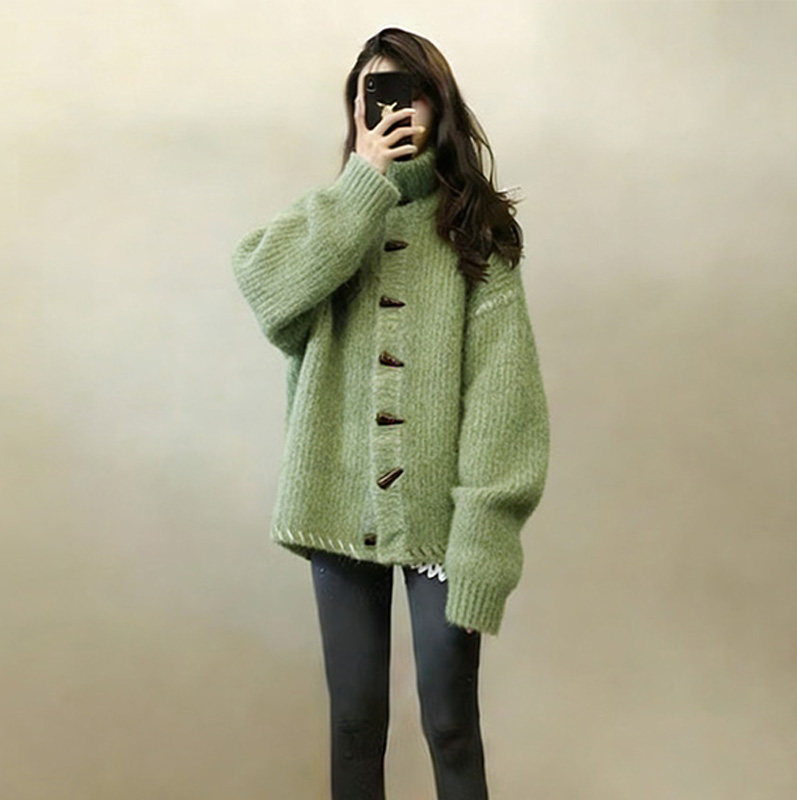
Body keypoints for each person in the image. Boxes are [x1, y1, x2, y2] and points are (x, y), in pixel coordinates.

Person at [231, 26, 550, 800]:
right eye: (373, 94)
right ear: (355, 111)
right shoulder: (333, 220)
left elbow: (504, 407)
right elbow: (268, 289)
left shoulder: (478, 239)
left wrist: (484, 540)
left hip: (444, 523)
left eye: (409, 93)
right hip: (338, 507)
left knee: (451, 724)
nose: (392, 111)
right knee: (354, 726)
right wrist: (361, 185)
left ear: (440, 108)